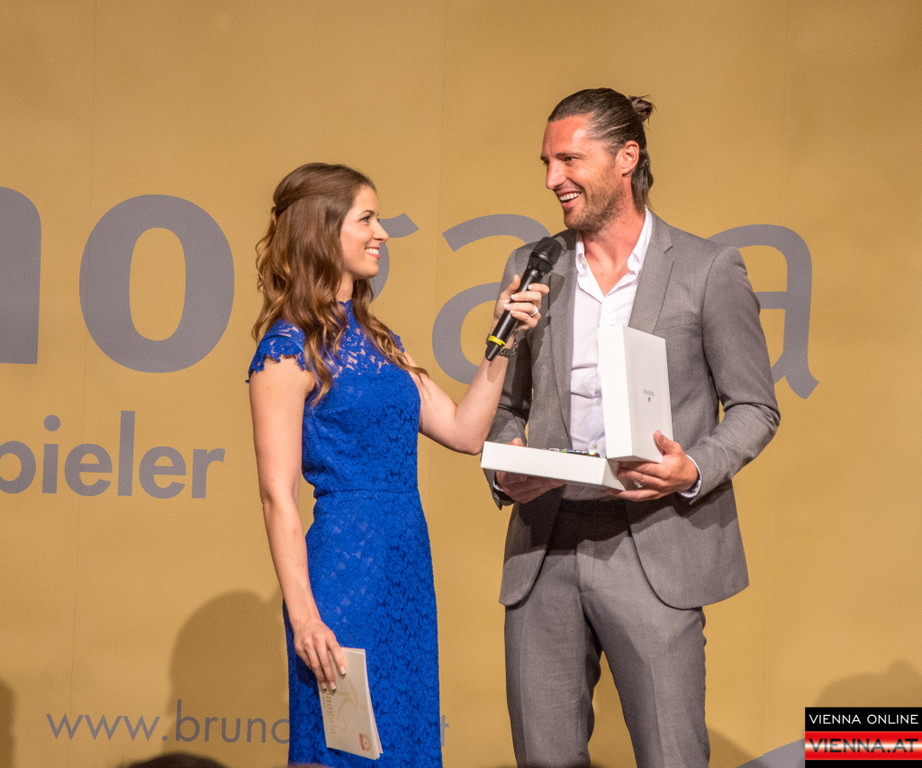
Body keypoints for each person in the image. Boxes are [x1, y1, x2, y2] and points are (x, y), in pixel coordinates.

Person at [484, 88, 781, 768]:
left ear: (626, 157)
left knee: (671, 756)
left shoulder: (706, 269)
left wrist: (693, 468)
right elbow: (508, 403)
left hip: (654, 541)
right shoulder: (533, 266)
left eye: (569, 160)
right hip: (545, 542)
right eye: (546, 162)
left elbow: (755, 408)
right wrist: (506, 466)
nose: (552, 179)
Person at [247, 162, 547, 767]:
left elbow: (464, 431)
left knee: (404, 743)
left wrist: (504, 340)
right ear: (323, 230)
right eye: (366, 219)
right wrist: (305, 617)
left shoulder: (379, 339)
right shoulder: (286, 349)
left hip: (406, 571)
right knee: (347, 751)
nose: (381, 233)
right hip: (343, 575)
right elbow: (278, 496)